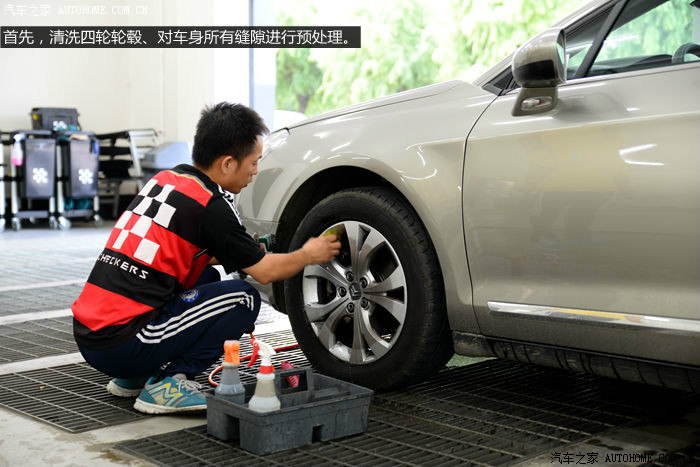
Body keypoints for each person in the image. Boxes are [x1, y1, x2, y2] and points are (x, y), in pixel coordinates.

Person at [71, 102, 340, 415]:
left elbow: (172, 250)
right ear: (227, 163)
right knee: (243, 299)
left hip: (90, 334)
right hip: (121, 341)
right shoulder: (211, 207)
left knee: (206, 278)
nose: (255, 171)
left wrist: (242, 249)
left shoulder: (165, 181)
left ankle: (134, 376)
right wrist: (309, 253)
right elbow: (265, 272)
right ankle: (168, 385)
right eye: (254, 162)